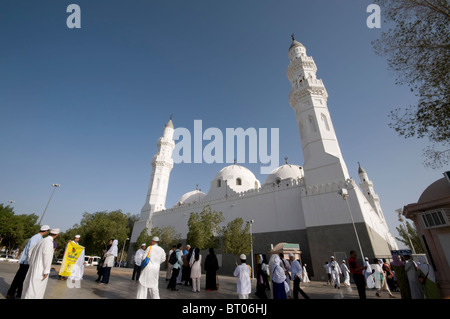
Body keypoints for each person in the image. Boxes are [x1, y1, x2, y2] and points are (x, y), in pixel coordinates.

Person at [6, 225, 50, 299]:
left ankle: (19, 294)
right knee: (19, 278)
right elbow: (31, 250)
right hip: (26, 261)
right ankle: (11, 293)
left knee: (23, 278)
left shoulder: (38, 237)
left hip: (27, 261)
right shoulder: (37, 238)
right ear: (46, 231)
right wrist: (31, 261)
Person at [22, 228, 60, 299]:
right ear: (57, 235)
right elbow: (47, 257)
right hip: (40, 269)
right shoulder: (49, 243)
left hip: (34, 266)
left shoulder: (42, 240)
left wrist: (31, 262)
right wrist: (46, 270)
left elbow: (30, 251)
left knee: (30, 286)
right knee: (36, 289)